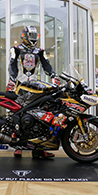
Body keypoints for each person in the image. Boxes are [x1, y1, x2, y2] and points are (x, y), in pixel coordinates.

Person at [7, 26, 58, 159]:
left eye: (35, 37)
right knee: (18, 113)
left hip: (35, 85)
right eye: (31, 36)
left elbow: (46, 65)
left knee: (38, 116)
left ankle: (39, 148)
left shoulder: (40, 51)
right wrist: (12, 80)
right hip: (20, 85)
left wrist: (53, 75)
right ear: (24, 36)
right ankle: (17, 146)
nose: (33, 39)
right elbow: (12, 65)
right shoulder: (16, 49)